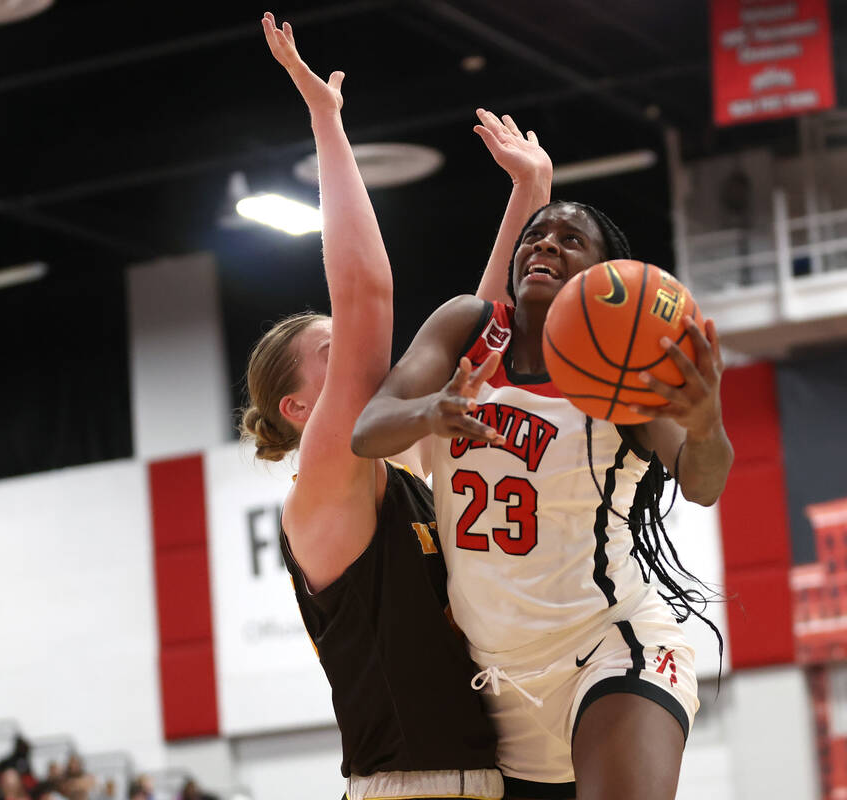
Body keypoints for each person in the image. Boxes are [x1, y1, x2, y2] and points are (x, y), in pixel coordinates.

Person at [240, 13, 553, 800]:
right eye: (331, 350)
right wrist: (325, 121)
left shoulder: (402, 466)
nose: (351, 351)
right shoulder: (323, 494)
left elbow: (480, 329)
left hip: (487, 779)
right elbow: (368, 293)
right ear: (297, 405)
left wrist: (530, 197)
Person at [352, 200, 734, 799]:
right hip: (495, 681)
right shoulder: (467, 328)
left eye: (570, 240)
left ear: (605, 277)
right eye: (535, 235)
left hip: (610, 643)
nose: (546, 245)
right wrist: (431, 410)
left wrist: (706, 427)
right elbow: (367, 429)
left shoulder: (629, 370)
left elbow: (703, 482)